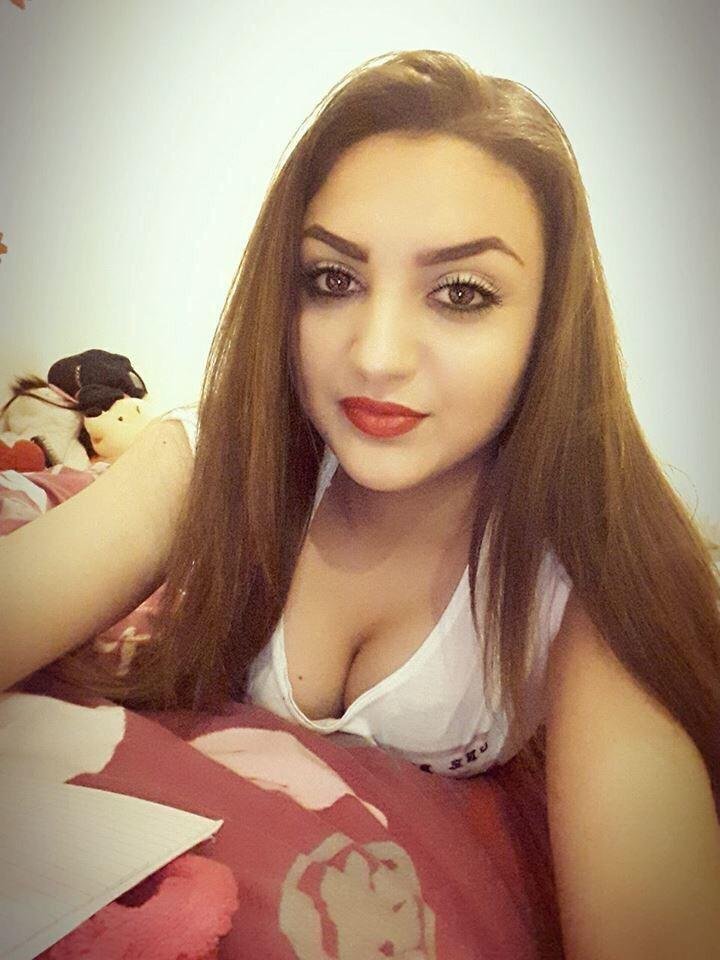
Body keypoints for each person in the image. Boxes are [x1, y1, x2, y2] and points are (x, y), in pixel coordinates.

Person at [2, 50, 720, 957]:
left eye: (461, 293)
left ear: (549, 327)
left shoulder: (592, 577)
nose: (377, 355)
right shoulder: (214, 457)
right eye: (333, 279)